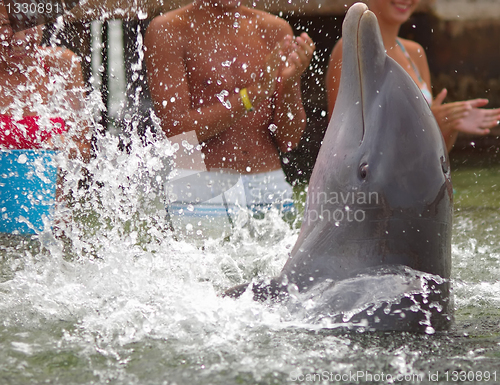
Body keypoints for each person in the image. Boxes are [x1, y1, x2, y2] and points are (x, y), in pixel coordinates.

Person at [144, 0, 315, 222]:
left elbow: (289, 141)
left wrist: (291, 82)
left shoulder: (275, 29)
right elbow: (176, 131)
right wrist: (252, 95)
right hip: (201, 186)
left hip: (268, 183)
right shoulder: (168, 29)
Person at [326, 0, 500, 153]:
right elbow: (341, 148)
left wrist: (449, 124)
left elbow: (433, 156)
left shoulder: (415, 52)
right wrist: (427, 126)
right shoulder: (351, 49)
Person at [0, 4, 91, 234]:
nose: (20, 37)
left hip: (50, 230)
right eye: (5, 26)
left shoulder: (63, 66)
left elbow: (84, 149)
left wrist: (61, 146)